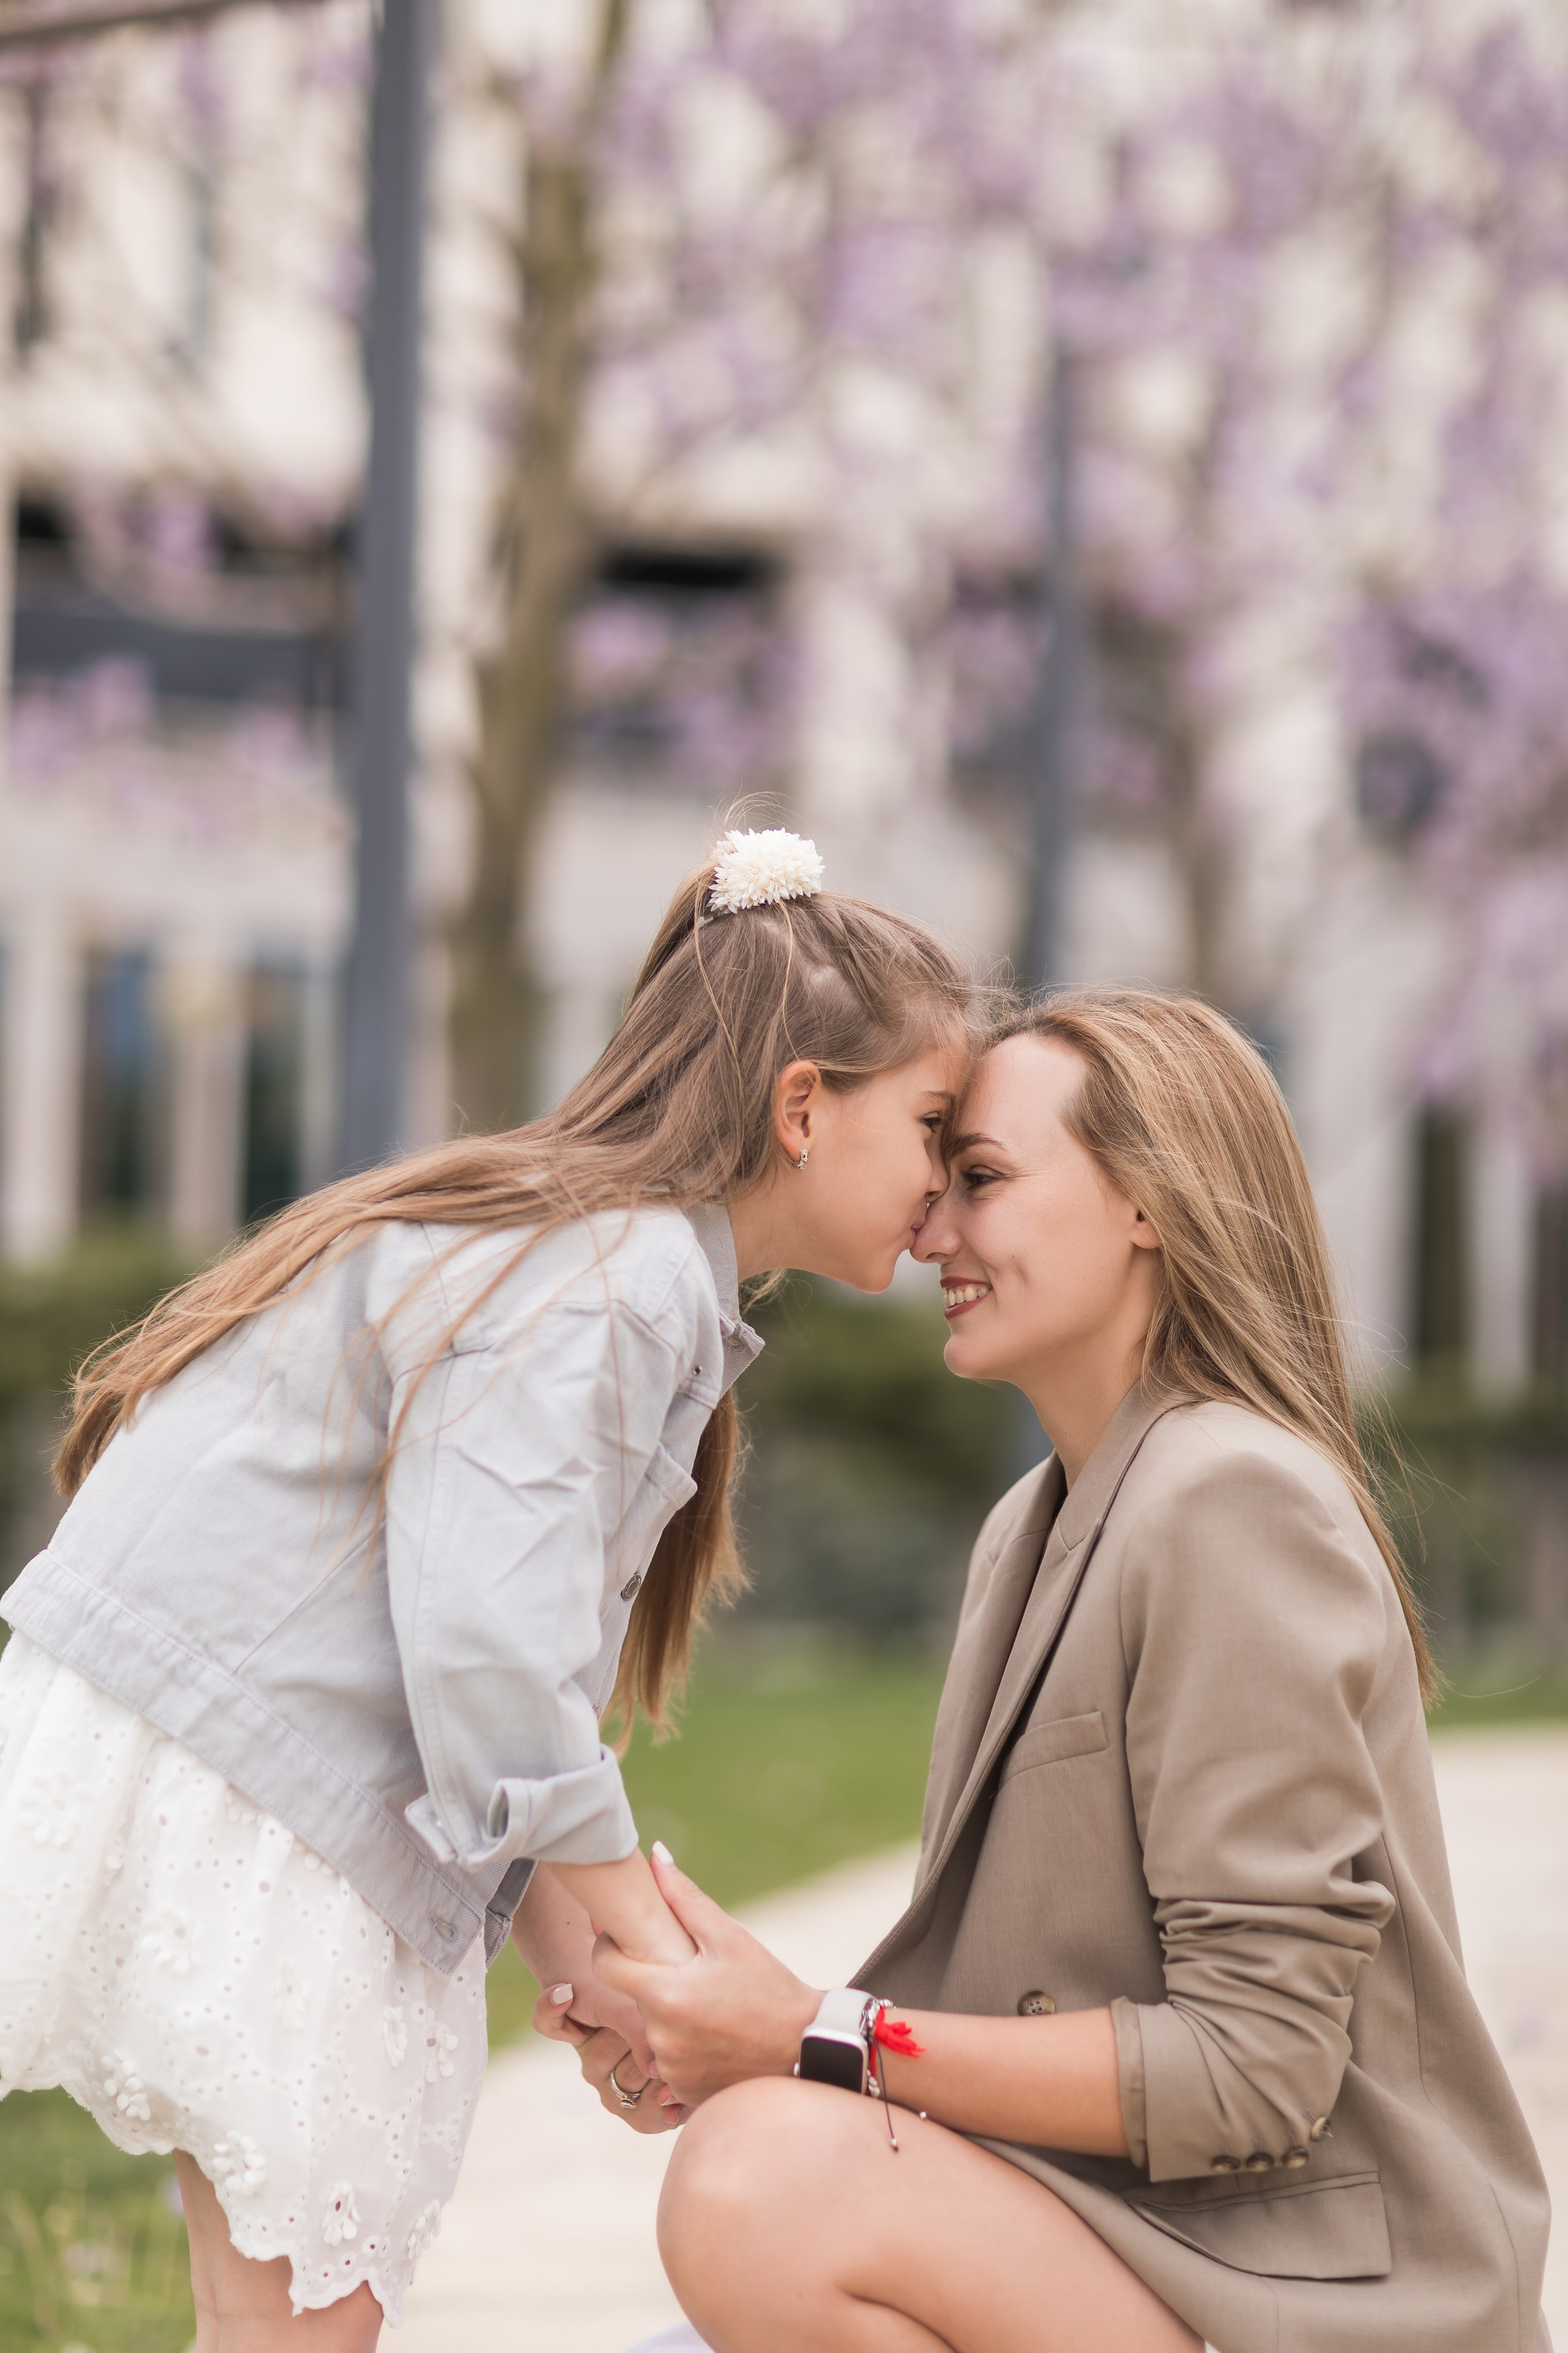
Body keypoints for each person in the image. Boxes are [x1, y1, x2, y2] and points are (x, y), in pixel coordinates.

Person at [0, 830, 978, 2352]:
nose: (940, 1191)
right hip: (260, 1802)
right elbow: (490, 1664)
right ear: (803, 1108)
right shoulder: (623, 1276)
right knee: (298, 2324)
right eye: (932, 1125)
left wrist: (581, 1969)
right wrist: (652, 1967)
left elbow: (474, 1659)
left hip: (229, 1764)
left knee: (272, 2318)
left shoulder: (603, 1257)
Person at [594, 989, 1551, 2353]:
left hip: (1319, 2295)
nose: (929, 1232)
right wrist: (726, 2025)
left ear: (1148, 1203)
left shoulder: (1231, 1501)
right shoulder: (1030, 1528)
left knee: (758, 2188)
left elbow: (1254, 2068)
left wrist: (814, 2033)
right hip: (1145, 2245)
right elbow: (1011, 2021)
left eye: (978, 1179)